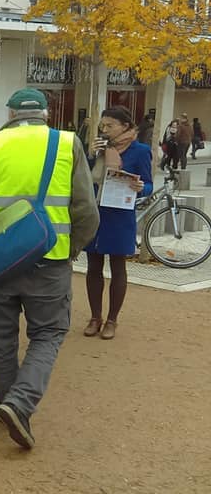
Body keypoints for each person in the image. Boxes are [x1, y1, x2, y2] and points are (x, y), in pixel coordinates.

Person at [0, 88, 99, 449]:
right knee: (48, 333)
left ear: (10, 113)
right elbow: (87, 212)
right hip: (50, 259)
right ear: (45, 114)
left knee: (0, 339)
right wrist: (72, 248)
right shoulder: (66, 143)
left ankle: (7, 403)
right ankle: (19, 404)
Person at [83, 106, 152, 340]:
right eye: (102, 126)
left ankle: (112, 320)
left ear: (125, 126)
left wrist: (141, 187)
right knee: (93, 266)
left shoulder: (140, 150)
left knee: (118, 267)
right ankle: (95, 317)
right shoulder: (97, 148)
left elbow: (149, 184)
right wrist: (91, 156)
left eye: (109, 125)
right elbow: (83, 178)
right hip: (96, 212)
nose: (105, 130)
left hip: (120, 215)